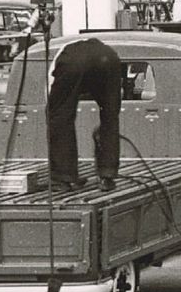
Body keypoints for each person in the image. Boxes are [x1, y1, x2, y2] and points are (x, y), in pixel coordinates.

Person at [46, 37, 123, 192]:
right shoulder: (99, 49)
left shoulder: (61, 59)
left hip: (75, 64)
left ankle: (63, 177)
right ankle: (107, 175)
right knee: (110, 116)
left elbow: (54, 103)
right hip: (109, 59)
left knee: (59, 117)